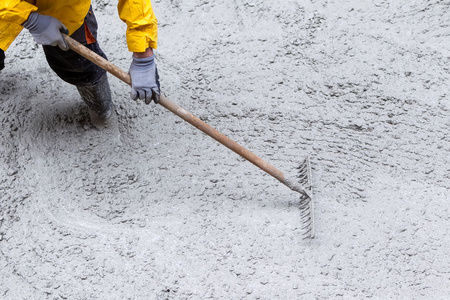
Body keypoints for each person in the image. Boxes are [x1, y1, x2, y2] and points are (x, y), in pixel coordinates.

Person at [0, 1, 160, 127]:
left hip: (63, 6)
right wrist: (29, 18)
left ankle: (102, 110)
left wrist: (143, 54)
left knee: (78, 64)